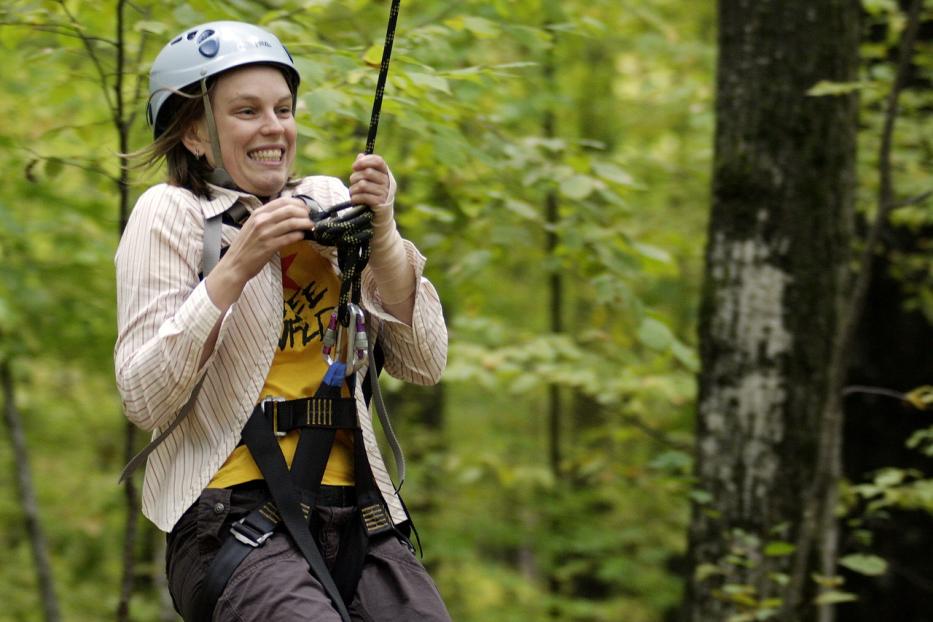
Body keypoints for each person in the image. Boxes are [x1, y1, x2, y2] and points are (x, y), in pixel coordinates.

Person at [114, 21, 450, 621]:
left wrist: (386, 234)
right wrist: (236, 265)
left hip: (361, 512)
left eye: (283, 109)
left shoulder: (327, 199)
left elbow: (424, 361)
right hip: (230, 516)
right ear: (194, 131)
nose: (274, 128)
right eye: (247, 111)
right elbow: (143, 397)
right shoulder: (170, 214)